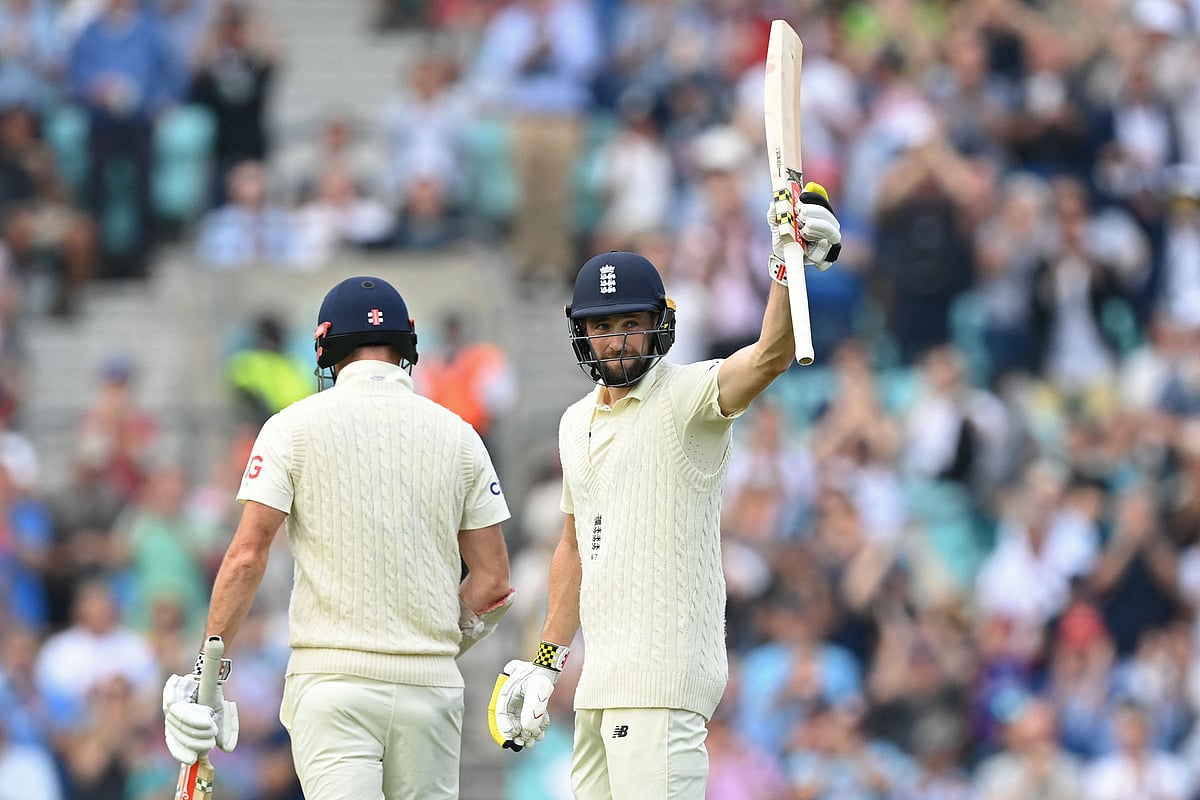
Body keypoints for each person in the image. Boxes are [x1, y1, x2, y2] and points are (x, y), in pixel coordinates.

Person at [488, 181, 842, 797]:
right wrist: (546, 665)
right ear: (582, 334)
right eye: (604, 327)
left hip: (663, 684)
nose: (619, 340)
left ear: (661, 328)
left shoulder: (688, 398)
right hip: (599, 687)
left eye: (633, 324)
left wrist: (789, 262)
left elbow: (768, 357)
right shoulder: (575, 423)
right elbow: (574, 549)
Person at [160, 275, 516, 800]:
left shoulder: (291, 427)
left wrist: (205, 676)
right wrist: (437, 640)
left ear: (326, 347)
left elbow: (246, 557)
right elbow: (492, 582)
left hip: (333, 685)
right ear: (407, 345)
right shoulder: (460, 434)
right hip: (430, 689)